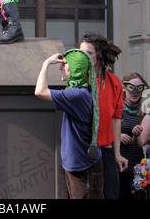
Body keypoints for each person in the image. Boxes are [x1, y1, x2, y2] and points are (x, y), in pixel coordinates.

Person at [35, 48, 103, 199]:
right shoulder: (80, 90)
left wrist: (46, 64)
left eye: (64, 64)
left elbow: (39, 91)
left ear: (75, 68)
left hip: (83, 166)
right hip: (79, 163)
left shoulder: (76, 94)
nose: (60, 67)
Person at [79, 31, 128, 199]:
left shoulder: (114, 81)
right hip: (81, 150)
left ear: (99, 54)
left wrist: (117, 153)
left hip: (105, 152)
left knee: (110, 194)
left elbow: (116, 119)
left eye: (88, 53)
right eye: (81, 52)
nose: (83, 56)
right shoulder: (78, 80)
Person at [119, 71, 149, 198]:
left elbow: (143, 140)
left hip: (137, 167)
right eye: (131, 87)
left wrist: (140, 136)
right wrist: (117, 136)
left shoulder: (144, 112)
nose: (135, 91)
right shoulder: (115, 109)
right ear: (123, 88)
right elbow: (101, 132)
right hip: (117, 166)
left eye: (139, 88)